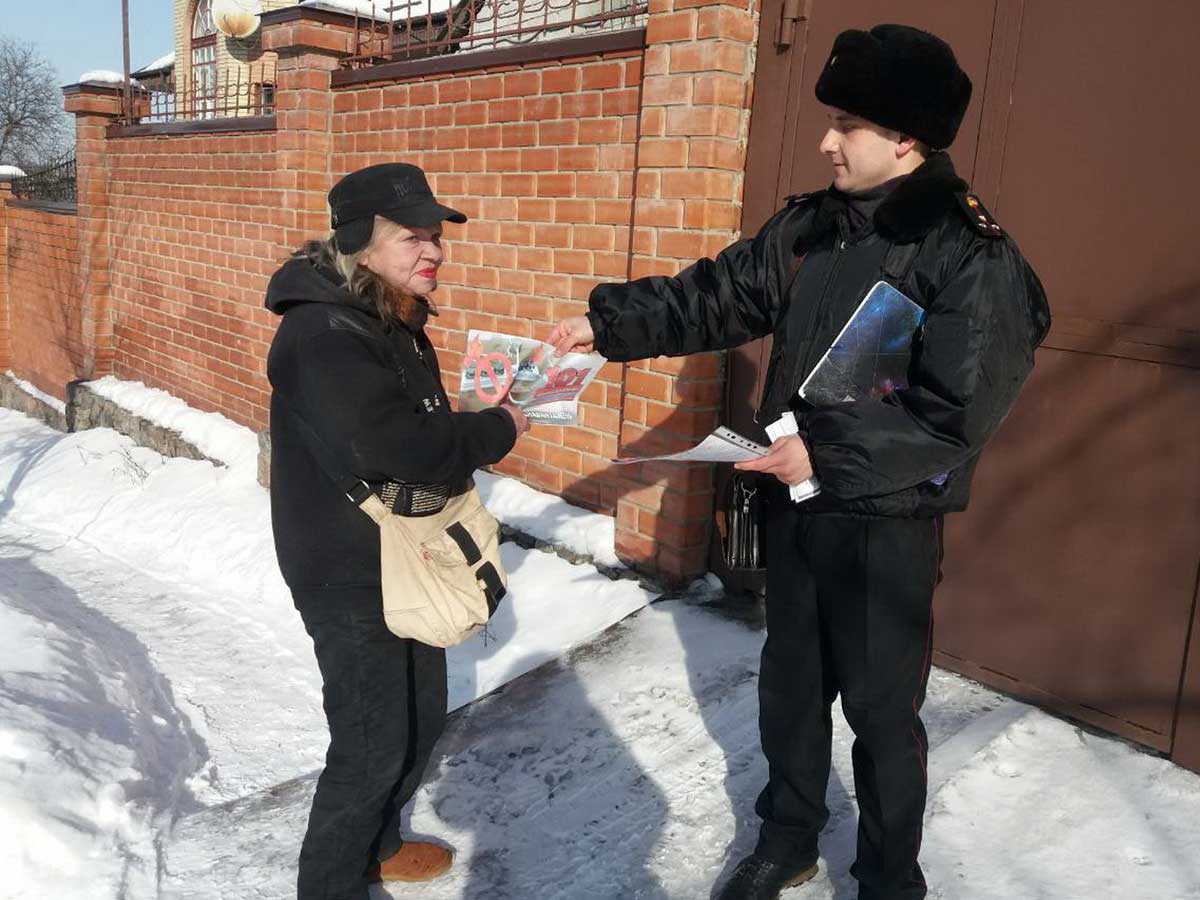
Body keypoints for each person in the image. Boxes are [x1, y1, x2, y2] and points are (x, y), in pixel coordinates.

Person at [550, 24, 1050, 900]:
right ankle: (789, 839)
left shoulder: (971, 254)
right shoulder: (814, 226)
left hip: (884, 526)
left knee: (882, 717)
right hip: (798, 510)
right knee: (790, 686)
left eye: (847, 123)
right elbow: (719, 294)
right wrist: (606, 324)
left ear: (904, 138)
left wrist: (819, 451)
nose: (826, 141)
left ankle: (891, 878)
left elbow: (955, 414)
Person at [265, 163, 530, 900]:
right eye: (414, 236)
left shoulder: (395, 318)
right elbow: (399, 448)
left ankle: (380, 846)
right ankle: (331, 885)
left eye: (437, 237)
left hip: (404, 550)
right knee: (370, 746)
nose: (435, 251)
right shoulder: (321, 334)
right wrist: (496, 427)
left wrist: (472, 410)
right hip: (346, 567)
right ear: (361, 243)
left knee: (416, 721)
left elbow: (414, 431)